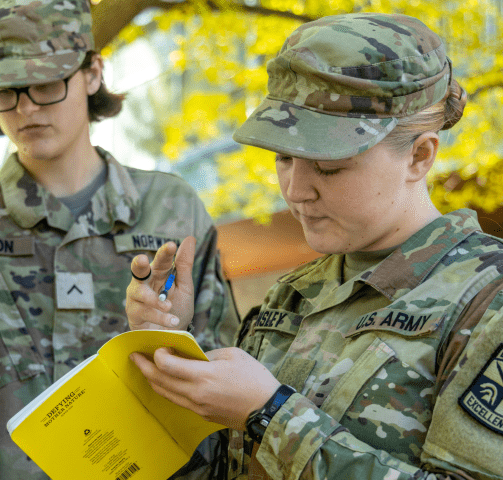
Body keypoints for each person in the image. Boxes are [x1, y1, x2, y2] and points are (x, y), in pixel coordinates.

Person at [0, 0, 239, 478]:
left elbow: (222, 366)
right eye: (4, 91)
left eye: (45, 84)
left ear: (91, 73)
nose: (24, 109)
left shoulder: (171, 208)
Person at [126, 12, 503, 480]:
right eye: (284, 158)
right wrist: (173, 353)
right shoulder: (294, 293)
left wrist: (271, 413)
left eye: (328, 166)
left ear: (420, 155)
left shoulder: (488, 303)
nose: (296, 189)